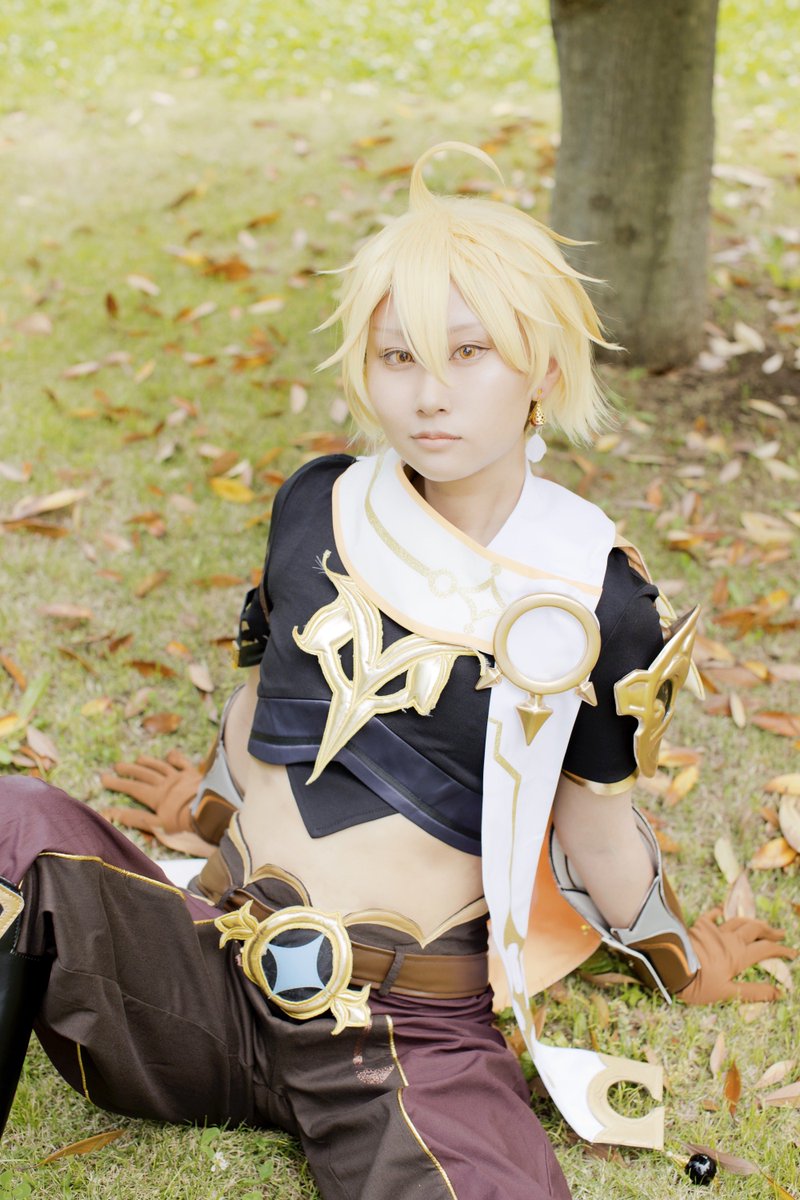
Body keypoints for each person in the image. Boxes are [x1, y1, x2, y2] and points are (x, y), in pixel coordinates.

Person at [0, 143, 793, 1200]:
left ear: (542, 371)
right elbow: (265, 705)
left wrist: (683, 964)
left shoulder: (597, 598)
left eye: (469, 353)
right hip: (205, 976)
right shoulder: (318, 502)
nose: (428, 395)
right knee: (9, 820)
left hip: (400, 1035)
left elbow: (598, 837)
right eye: (397, 357)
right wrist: (202, 812)